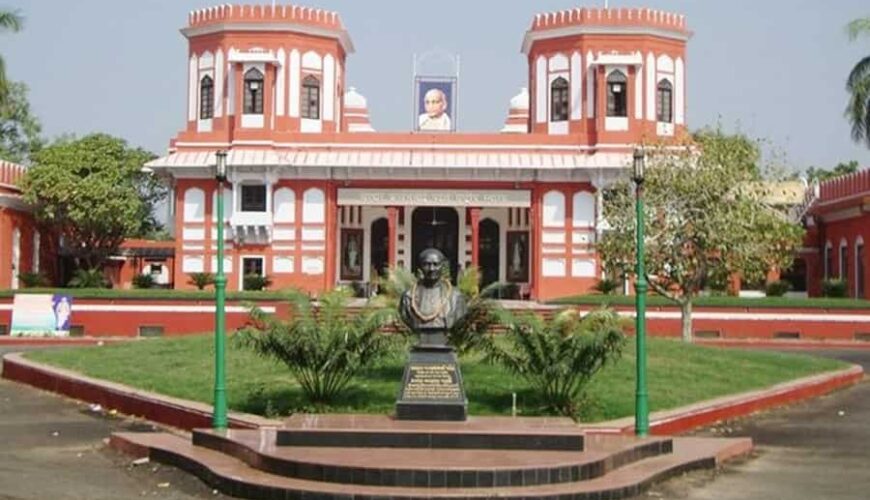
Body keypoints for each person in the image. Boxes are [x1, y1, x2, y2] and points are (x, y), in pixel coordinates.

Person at [399, 248, 466, 336]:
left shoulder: (455, 296)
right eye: (426, 264)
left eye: (436, 264)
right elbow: (405, 320)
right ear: (420, 267)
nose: (431, 269)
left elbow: (460, 322)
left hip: (445, 341)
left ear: (442, 266)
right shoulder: (408, 296)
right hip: (418, 341)